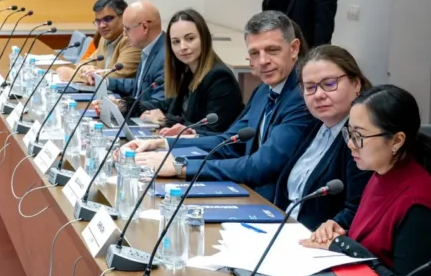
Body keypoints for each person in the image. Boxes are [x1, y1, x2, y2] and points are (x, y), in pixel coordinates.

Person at [130, 11, 317, 201]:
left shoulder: (302, 96)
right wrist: (163, 143)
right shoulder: (263, 91)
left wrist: (181, 167)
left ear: (294, 48)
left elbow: (261, 166)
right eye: (254, 53)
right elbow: (229, 142)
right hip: (251, 193)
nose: (263, 61)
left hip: (275, 204)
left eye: (272, 50)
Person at [304, 85, 431, 276]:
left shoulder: (418, 201)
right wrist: (340, 230)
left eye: (359, 136)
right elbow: (374, 239)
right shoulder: (380, 174)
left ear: (397, 141)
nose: (350, 144)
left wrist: (344, 246)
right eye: (349, 133)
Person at [272, 46, 372, 230]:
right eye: (310, 87)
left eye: (330, 84)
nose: (318, 95)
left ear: (356, 84)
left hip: (318, 240)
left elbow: (357, 209)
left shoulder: (362, 138)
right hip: (282, 228)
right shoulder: (315, 125)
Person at [138, 9, 243, 134]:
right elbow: (166, 106)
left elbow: (213, 130)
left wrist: (165, 120)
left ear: (204, 38)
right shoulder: (187, 72)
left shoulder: (220, 78)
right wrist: (129, 106)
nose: (182, 47)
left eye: (190, 39)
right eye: (176, 42)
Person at [56, 0, 140, 84]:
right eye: (98, 21)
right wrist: (88, 69)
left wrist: (71, 75)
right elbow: (85, 63)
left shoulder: (131, 40)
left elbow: (116, 77)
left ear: (123, 17)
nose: (102, 25)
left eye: (108, 19)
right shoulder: (104, 39)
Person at [106, 0, 166, 108]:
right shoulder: (148, 48)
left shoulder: (165, 57)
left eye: (127, 29)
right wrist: (106, 82)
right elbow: (139, 85)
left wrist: (123, 106)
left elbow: (159, 104)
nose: (124, 34)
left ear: (144, 27)